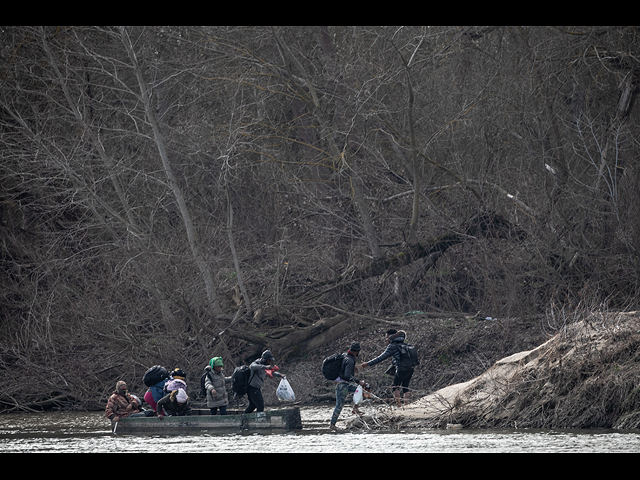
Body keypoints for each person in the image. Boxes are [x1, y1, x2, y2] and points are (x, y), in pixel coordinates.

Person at [361, 329, 414, 407]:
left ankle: (399, 407)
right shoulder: (405, 344)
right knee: (405, 387)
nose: (386, 339)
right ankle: (406, 405)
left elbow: (381, 357)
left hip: (401, 369)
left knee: (395, 387)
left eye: (387, 337)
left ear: (392, 336)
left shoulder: (393, 346)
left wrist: (368, 363)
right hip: (410, 368)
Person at [330, 342, 366, 431]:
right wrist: (358, 381)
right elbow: (347, 376)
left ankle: (355, 409)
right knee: (339, 404)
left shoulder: (345, 355)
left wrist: (353, 368)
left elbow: (344, 368)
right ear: (356, 352)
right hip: (342, 385)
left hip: (343, 384)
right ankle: (332, 424)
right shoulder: (350, 360)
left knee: (360, 389)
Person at [245, 350, 285, 414]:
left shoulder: (266, 365)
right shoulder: (257, 363)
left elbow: (272, 372)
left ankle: (244, 418)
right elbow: (252, 366)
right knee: (260, 405)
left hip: (256, 388)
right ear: (265, 359)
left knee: (252, 405)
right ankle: (259, 420)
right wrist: (264, 367)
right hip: (252, 388)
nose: (270, 361)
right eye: (269, 360)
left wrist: (280, 375)